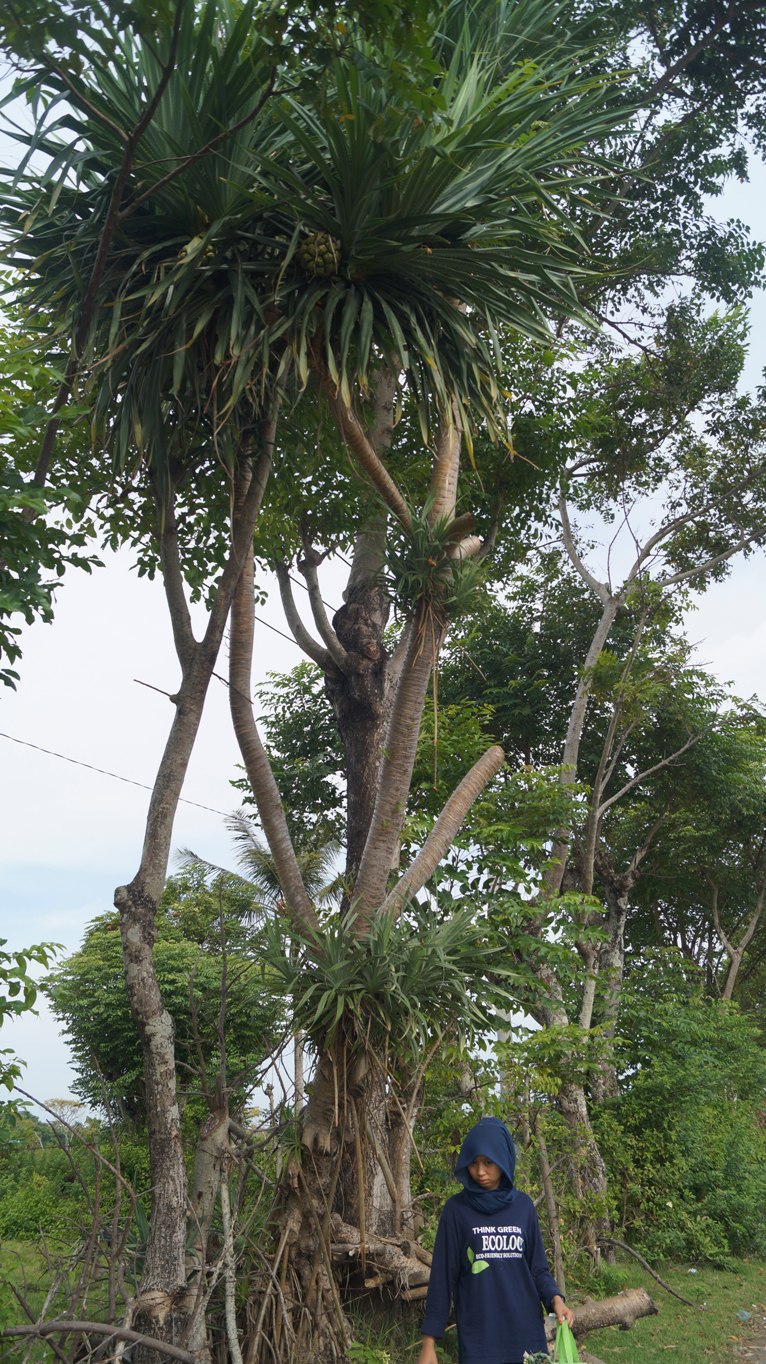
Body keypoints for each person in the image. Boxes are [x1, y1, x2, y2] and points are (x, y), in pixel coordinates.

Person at [418, 1116, 573, 1364]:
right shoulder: (456, 1211)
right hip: (480, 1342)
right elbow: (442, 1279)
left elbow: (537, 1269)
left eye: (489, 1162)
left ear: (503, 1159)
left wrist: (555, 1299)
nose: (480, 1171)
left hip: (526, 1337)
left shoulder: (523, 1207)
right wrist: (429, 1344)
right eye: (474, 1162)